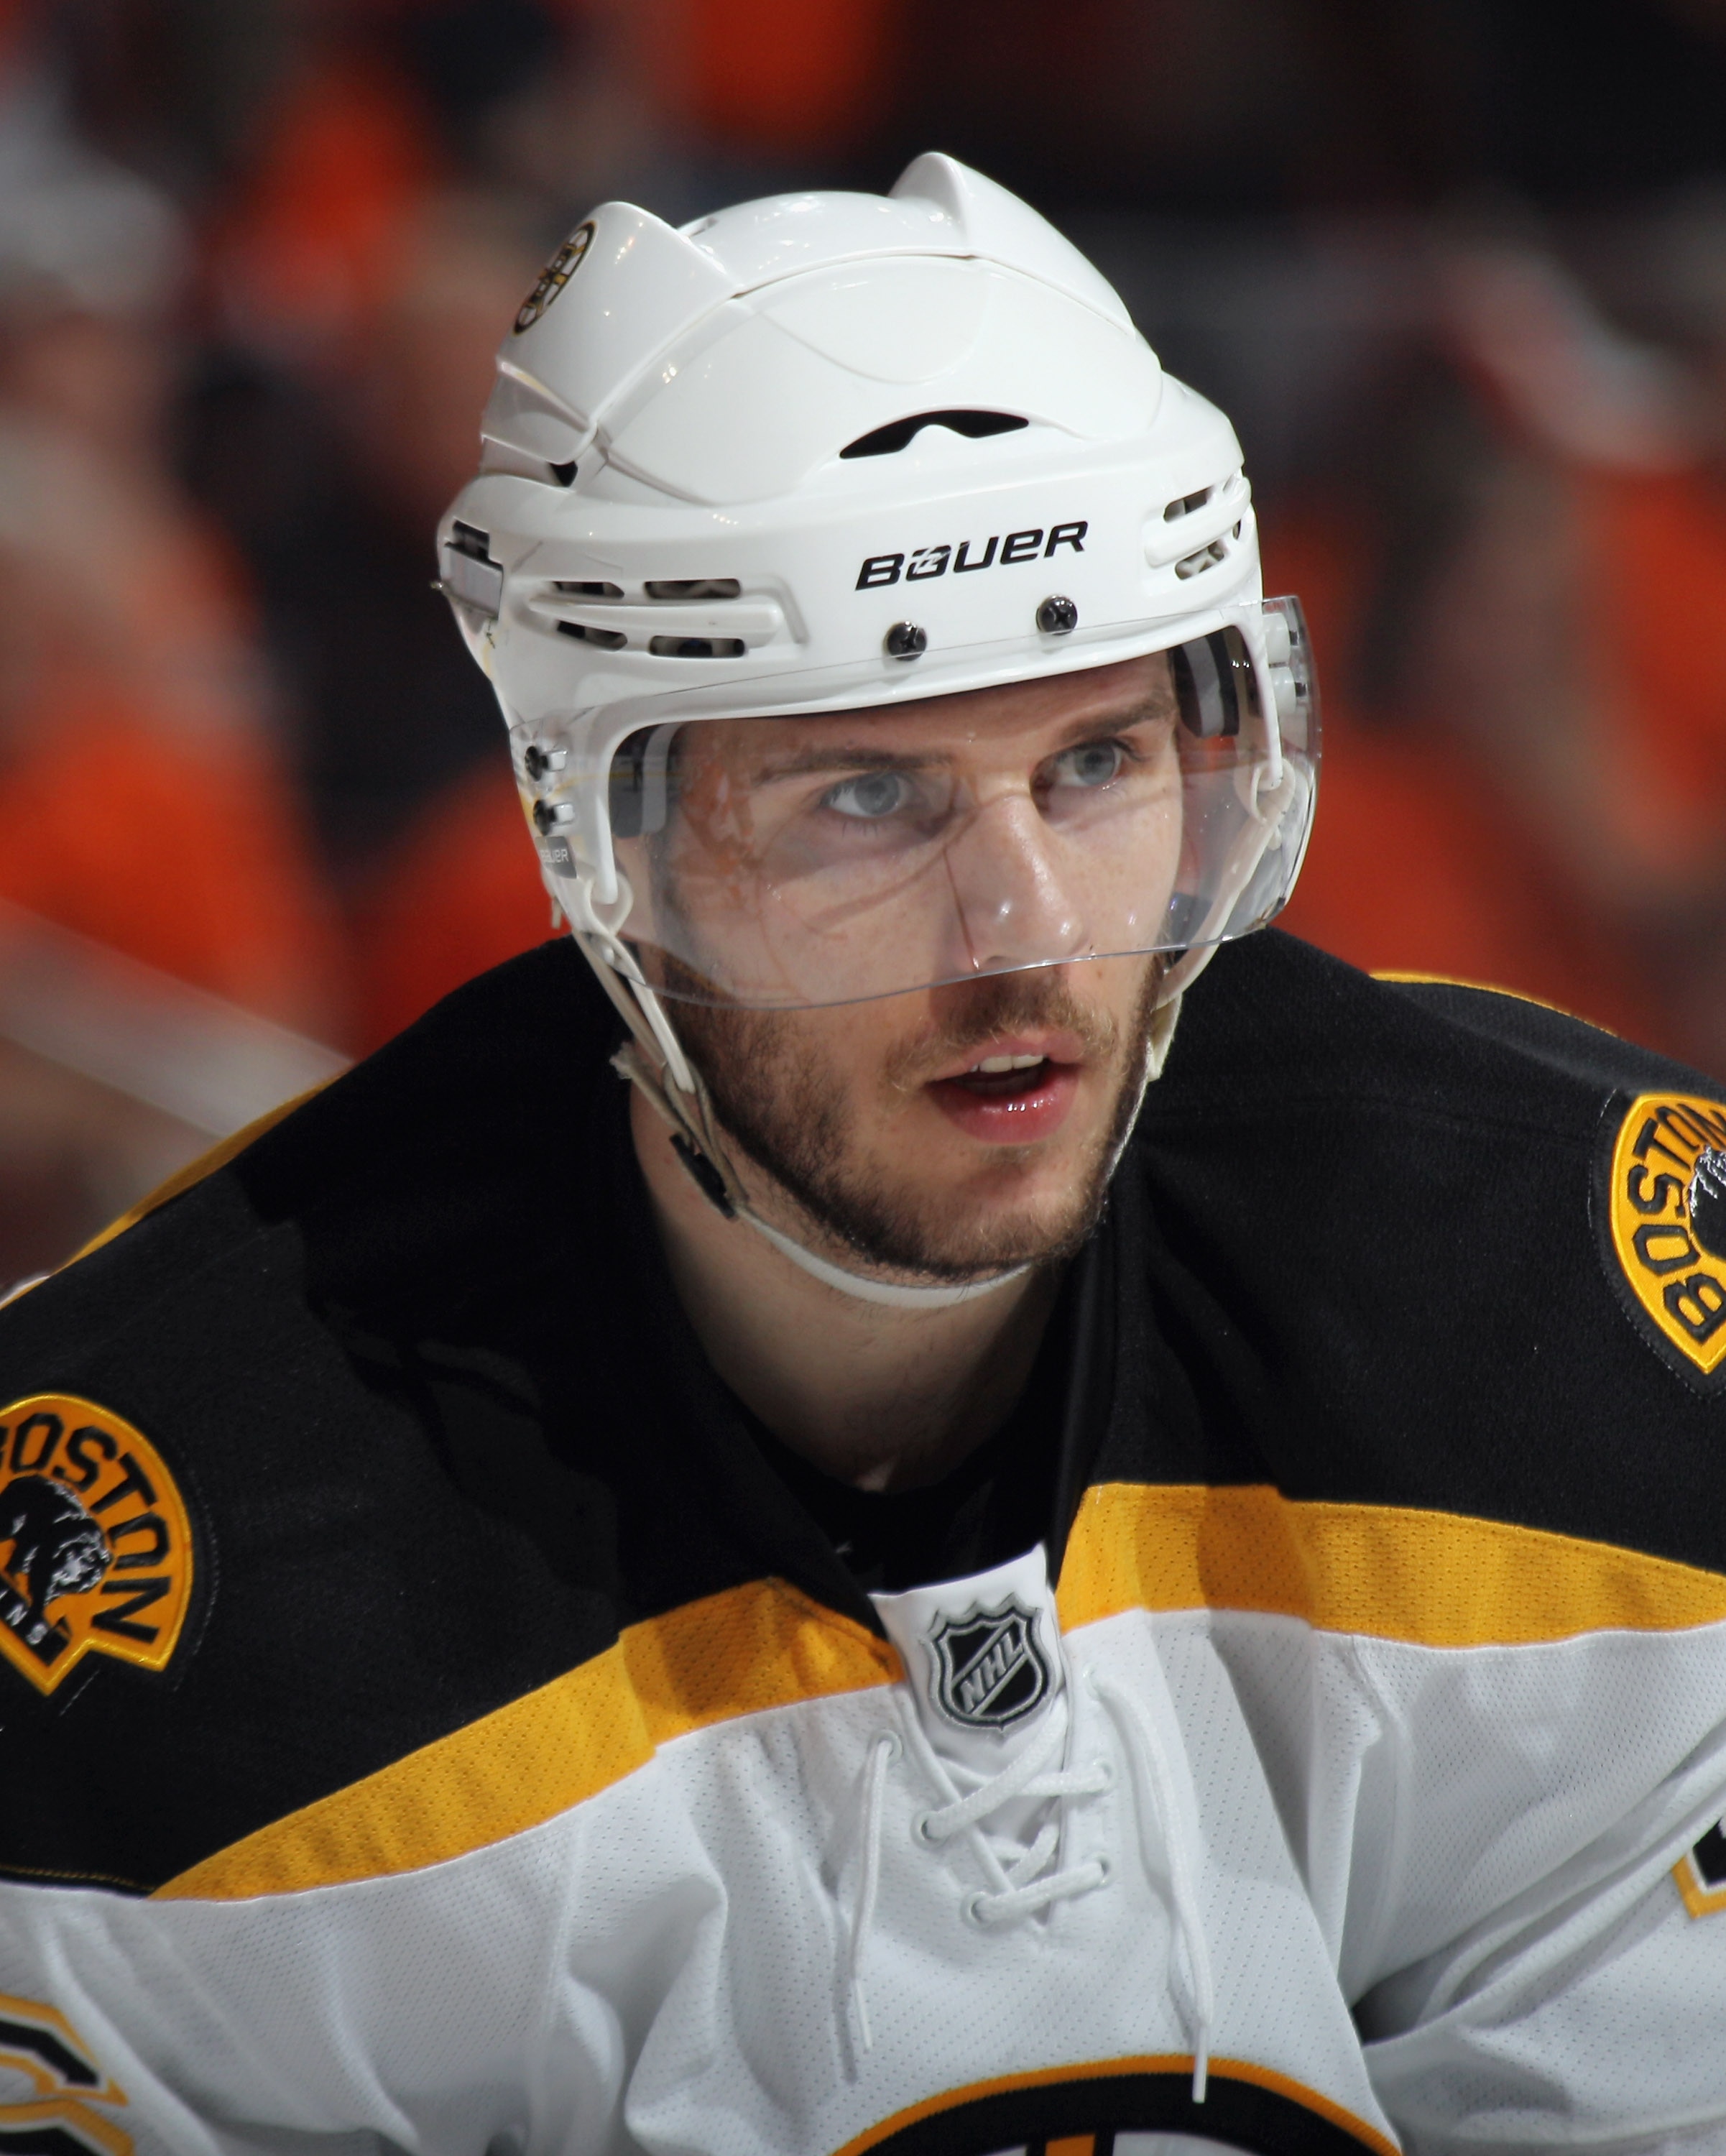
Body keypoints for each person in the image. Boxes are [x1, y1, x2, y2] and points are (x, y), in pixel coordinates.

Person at [1, 156, 1725, 2156]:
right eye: (864, 799)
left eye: (1091, 765)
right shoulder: (172, 1594)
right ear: (603, 855)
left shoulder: (1564, 1317)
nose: (1022, 934)